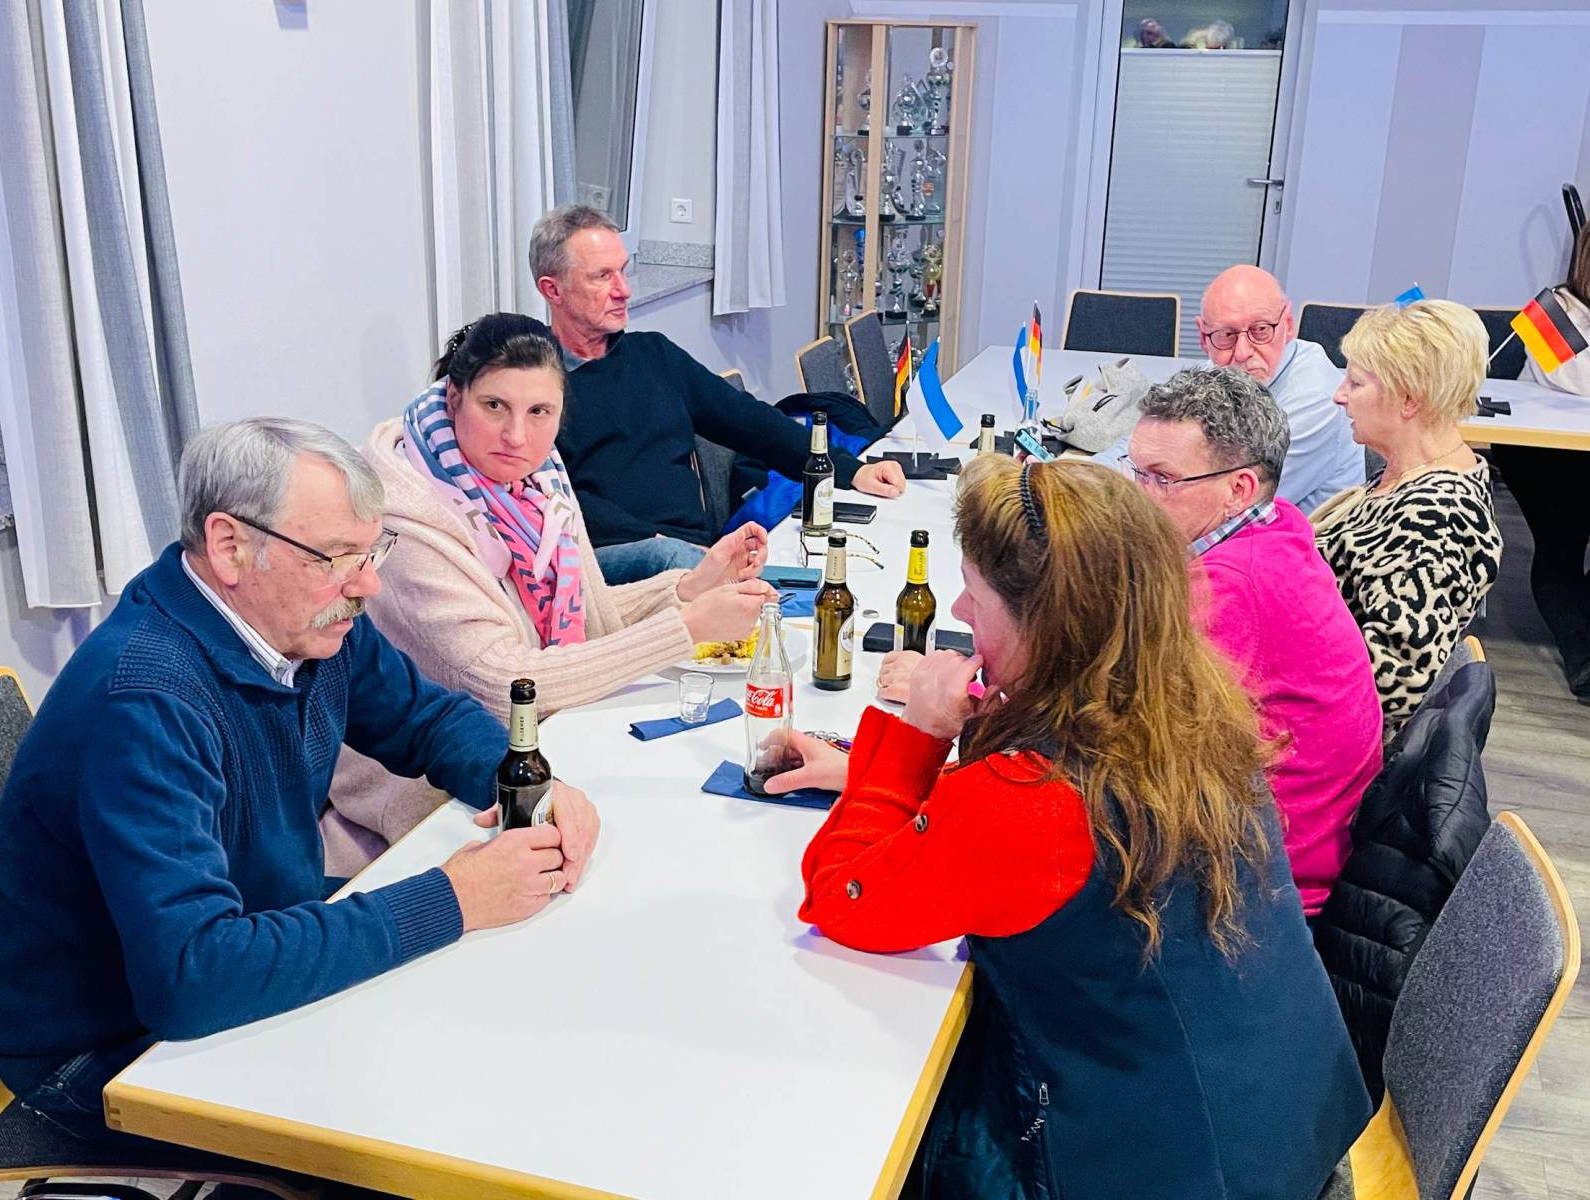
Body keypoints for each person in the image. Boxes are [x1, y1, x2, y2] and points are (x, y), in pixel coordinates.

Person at [0, 419, 600, 1155]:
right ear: (229, 547)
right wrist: (454, 898)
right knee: (443, 1118)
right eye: (337, 557)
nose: (367, 584)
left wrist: (531, 784)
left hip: (247, 932)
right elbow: (193, 978)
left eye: (372, 551)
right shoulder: (145, 699)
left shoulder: (309, 622)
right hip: (104, 1048)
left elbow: (426, 719)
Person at [785, 459, 1369, 1199]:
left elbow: (841, 897)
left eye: (976, 592)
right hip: (1279, 1134)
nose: (959, 610)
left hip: (1164, 1175)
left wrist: (916, 736)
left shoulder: (1035, 801)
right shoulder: (1190, 706)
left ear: (1046, 624)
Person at [324, 314, 774, 873]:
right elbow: (501, 684)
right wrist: (688, 628)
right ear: (455, 397)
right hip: (432, 796)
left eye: (540, 412)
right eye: (495, 406)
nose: (517, 436)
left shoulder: (539, 482)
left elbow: (583, 619)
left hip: (540, 741)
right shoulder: (407, 517)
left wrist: (688, 586)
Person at [1121, 367, 1382, 916]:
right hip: (1283, 844)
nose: (1139, 499)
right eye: (1136, 472)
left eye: (1162, 479)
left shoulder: (1230, 586)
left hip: (1257, 888)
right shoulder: (1276, 524)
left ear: (1238, 489)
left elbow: (1124, 731)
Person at [529, 205, 907, 583]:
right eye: (602, 276)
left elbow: (750, 422)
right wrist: (664, 545)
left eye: (623, 271)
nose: (623, 290)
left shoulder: (653, 355)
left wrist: (849, 469)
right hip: (614, 565)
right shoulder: (534, 387)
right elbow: (553, 499)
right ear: (552, 290)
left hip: (695, 553)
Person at [1312, 300, 1504, 739]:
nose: (1340, 395)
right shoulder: (1407, 474)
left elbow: (1386, 690)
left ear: (1409, 400)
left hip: (1321, 741)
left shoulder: (1438, 519)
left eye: (1356, 382)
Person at [1090, 264, 1363, 513]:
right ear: (1203, 336)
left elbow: (1220, 508)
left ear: (1288, 325)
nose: (1242, 352)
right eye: (1226, 335)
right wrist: (1083, 486)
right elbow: (1141, 441)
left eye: (1261, 330)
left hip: (1273, 540)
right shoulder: (1217, 368)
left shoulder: (1316, 400)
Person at [1492, 225, 1590, 701]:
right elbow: (1582, 381)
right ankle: (1583, 659)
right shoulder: (1549, 311)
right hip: (1542, 456)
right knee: (1560, 549)